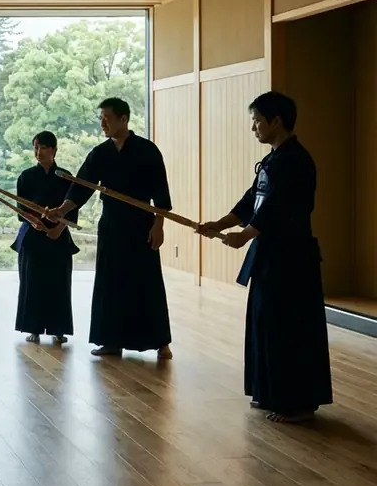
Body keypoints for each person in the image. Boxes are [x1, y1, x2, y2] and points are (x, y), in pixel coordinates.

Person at [197, 91, 332, 424]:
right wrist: (222, 223)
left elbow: (277, 207)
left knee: (289, 327)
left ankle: (297, 402)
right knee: (265, 323)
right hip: (271, 253)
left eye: (257, 120)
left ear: (276, 121)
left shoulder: (296, 160)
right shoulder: (274, 159)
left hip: (292, 257)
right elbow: (252, 201)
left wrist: (244, 234)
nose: (253, 127)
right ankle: (271, 392)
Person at [44, 98, 174, 359]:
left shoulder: (148, 151)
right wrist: (61, 210)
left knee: (146, 283)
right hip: (112, 225)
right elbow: (81, 186)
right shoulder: (100, 153)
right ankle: (111, 341)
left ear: (123, 119)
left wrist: (159, 226)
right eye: (100, 118)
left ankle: (161, 342)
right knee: (110, 283)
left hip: (141, 224)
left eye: (107, 118)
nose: (103, 123)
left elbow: (160, 193)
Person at [13, 131, 79, 344]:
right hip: (33, 236)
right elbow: (21, 209)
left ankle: (58, 329)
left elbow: (72, 207)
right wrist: (35, 221)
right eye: (35, 148)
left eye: (42, 148)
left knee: (58, 283)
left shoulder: (65, 176)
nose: (38, 152)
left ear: (54, 150)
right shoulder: (26, 176)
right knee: (32, 282)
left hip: (58, 236)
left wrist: (58, 229)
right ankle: (34, 328)